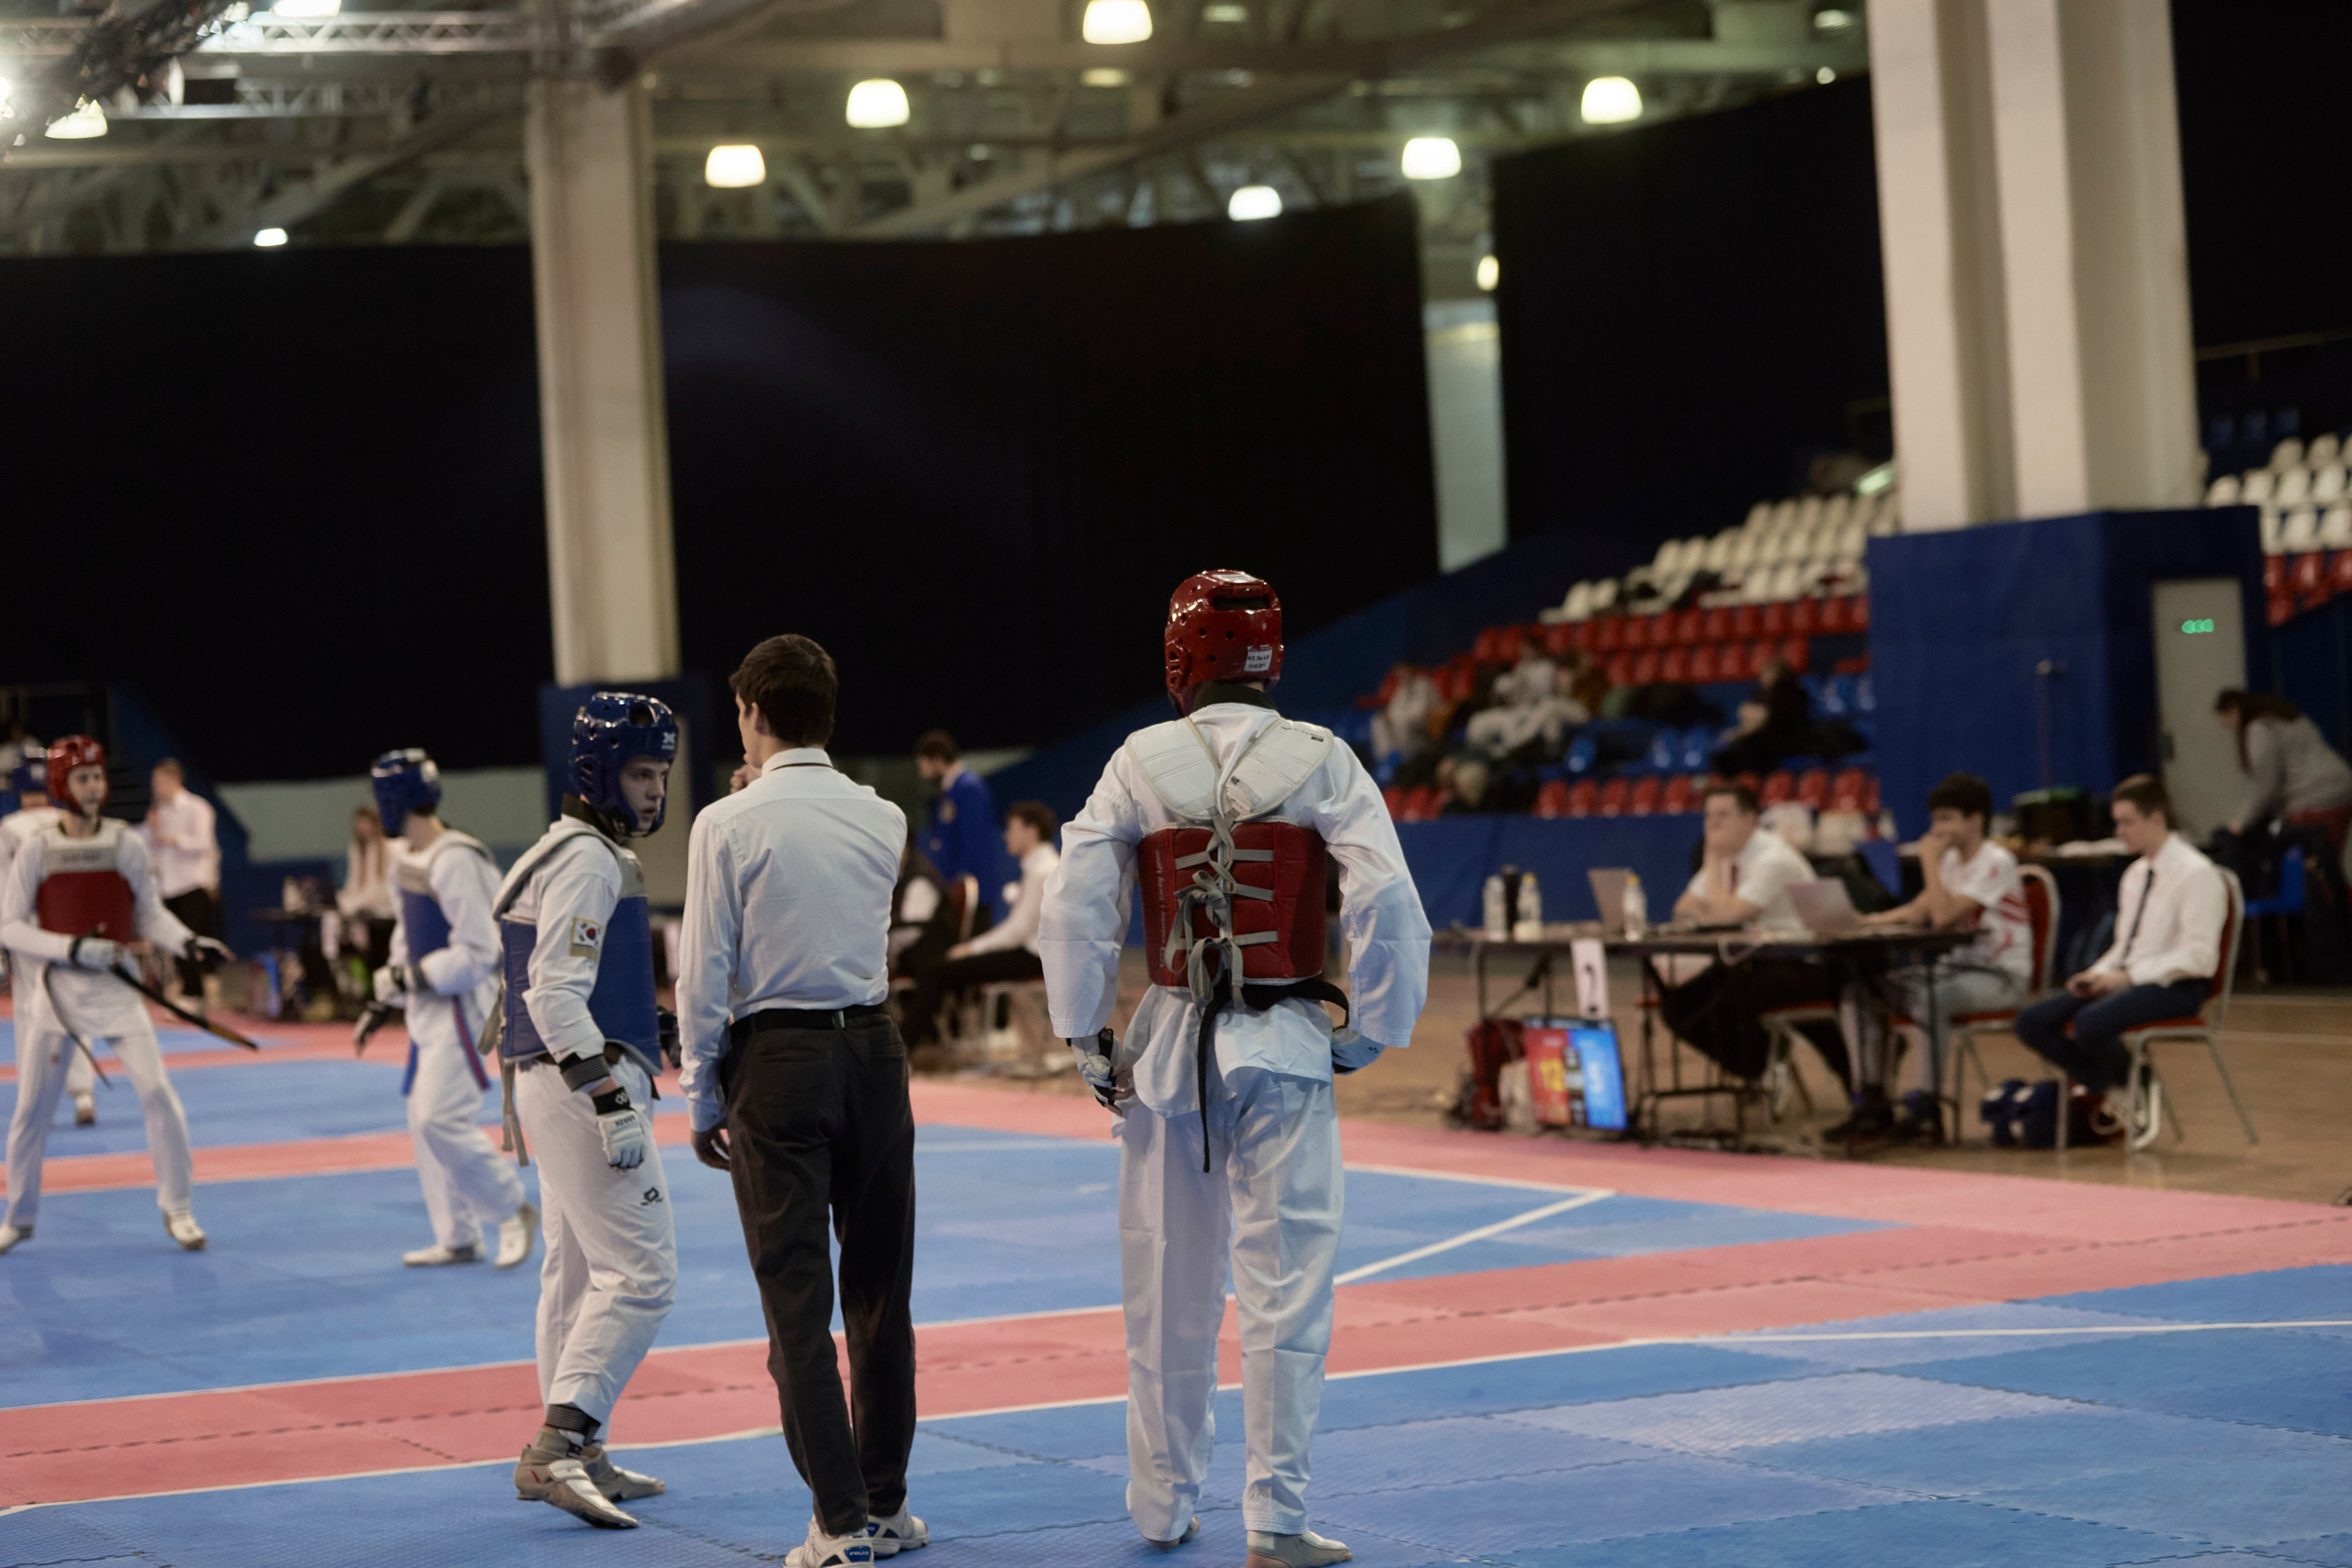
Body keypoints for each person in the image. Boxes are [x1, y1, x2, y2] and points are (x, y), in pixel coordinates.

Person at [1040, 569, 1432, 1564]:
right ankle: (1275, 1520)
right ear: (1272, 656)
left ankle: (1162, 1507)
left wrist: (1083, 1030)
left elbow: (1077, 901)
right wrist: (1377, 1026)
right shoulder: (1321, 760)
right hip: (1287, 1046)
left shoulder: (1139, 760)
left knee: (1165, 1285)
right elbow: (1389, 902)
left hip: (1167, 1047)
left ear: (1178, 661)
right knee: (1284, 1290)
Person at [676, 635, 922, 1568]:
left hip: (776, 1060)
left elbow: (703, 972)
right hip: (873, 1052)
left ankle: (840, 1521)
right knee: (879, 1293)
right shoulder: (883, 815)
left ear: (750, 715)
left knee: (797, 1303)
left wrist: (703, 1094)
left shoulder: (723, 825)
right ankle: (886, 1505)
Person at [494, 694, 682, 1530]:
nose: (654, 792)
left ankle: (583, 1445)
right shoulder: (588, 859)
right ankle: (557, 1445)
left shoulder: (557, 849)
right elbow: (551, 990)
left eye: (662, 775)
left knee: (571, 1272)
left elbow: (566, 982)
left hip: (555, 1076)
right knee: (644, 1274)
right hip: (581, 1083)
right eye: (641, 773)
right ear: (599, 771)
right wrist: (609, 1095)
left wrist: (648, 1022)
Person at [1, 737, 227, 1254]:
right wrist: (72, 948)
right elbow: (9, 926)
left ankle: (179, 1209)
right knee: (32, 1109)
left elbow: (148, 913)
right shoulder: (38, 849)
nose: (95, 787)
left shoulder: (126, 842)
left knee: (158, 1093)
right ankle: (19, 1217)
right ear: (61, 785)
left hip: (120, 992)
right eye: (83, 778)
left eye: (98, 777)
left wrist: (187, 941)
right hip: (59, 995)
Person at [357, 749, 537, 1269]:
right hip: (426, 1007)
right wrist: (383, 994)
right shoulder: (407, 859)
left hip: (465, 1006)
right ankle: (458, 1235)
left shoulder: (456, 857)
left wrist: (413, 977)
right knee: (421, 1120)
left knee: (439, 1117)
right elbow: (407, 933)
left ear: (396, 800)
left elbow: (481, 952)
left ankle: (511, 1208)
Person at [2014, 774, 2227, 1145]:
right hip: (2133, 976)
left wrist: (2127, 979)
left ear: (2156, 820)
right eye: (2117, 822)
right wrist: (2095, 974)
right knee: (2033, 1021)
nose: (2120, 831)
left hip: (2177, 984)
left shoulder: (2197, 873)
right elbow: (2125, 946)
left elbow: (2199, 957)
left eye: (2128, 822)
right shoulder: (2135, 874)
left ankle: (2135, 1088)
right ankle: (2119, 1088)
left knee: (2089, 1022)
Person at [1840, 773, 2033, 1141]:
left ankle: (1927, 1108)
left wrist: (1928, 859)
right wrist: (1862, 922)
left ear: (1975, 820)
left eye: (1946, 819)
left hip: (2000, 976)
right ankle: (1872, 1101)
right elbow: (1916, 912)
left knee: (1928, 996)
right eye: (1935, 819)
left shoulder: (1996, 861)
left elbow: (1943, 917)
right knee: (1861, 993)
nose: (1936, 829)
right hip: (1954, 970)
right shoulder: (1950, 862)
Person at [1655, 782, 1849, 1088]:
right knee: (1678, 1005)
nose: (1713, 824)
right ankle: (1751, 1068)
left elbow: (1729, 917)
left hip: (1807, 965)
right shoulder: (1728, 855)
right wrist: (1716, 897)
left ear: (1750, 819)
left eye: (1723, 815)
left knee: (1732, 990)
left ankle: (1766, 1064)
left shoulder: (1773, 857)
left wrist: (1713, 866)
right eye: (1708, 817)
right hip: (1756, 965)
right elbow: (1682, 912)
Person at [899, 800, 1058, 1049]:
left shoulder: (1042, 870)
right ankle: (942, 1037)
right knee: (944, 967)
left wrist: (971, 948)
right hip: (1034, 952)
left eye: (1012, 829)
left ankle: (904, 1045)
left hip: (1034, 957)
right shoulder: (1042, 866)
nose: (1006, 836)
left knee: (939, 970)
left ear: (1031, 831)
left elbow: (1017, 932)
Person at [1, 769, 96, 1126]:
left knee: (29, 1009)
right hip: (70, 928)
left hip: (27, 929)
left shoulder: (9, 828)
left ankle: (37, 1099)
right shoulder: (71, 822)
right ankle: (83, 1093)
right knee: (72, 1005)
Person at [2215, 690, 2352, 857]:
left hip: (2312, 799)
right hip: (2342, 788)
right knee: (2329, 864)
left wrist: (2239, 823)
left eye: (2227, 722)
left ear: (2234, 710)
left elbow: (2266, 786)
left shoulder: (2258, 728)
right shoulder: (2285, 715)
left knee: (2312, 871)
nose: (2231, 729)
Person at [142, 759, 221, 1010]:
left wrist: (171, 839)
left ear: (174, 780)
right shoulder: (158, 813)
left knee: (191, 942)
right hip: (168, 886)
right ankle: (190, 990)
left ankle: (196, 993)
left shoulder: (197, 807)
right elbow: (147, 845)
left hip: (193, 884)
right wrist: (154, 831)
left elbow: (204, 844)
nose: (155, 787)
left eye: (159, 781)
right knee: (174, 942)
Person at [914, 730, 1004, 922]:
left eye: (922, 762)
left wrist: (962, 888)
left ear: (937, 759)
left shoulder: (969, 788)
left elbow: (975, 844)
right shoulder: (951, 791)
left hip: (972, 895)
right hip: (958, 893)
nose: (920, 770)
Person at [334, 803, 398, 974]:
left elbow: (384, 885)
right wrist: (346, 900)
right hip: (364, 906)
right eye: (359, 823)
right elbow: (353, 884)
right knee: (337, 918)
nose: (363, 827)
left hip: (384, 908)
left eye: (366, 822)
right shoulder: (357, 850)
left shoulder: (389, 847)